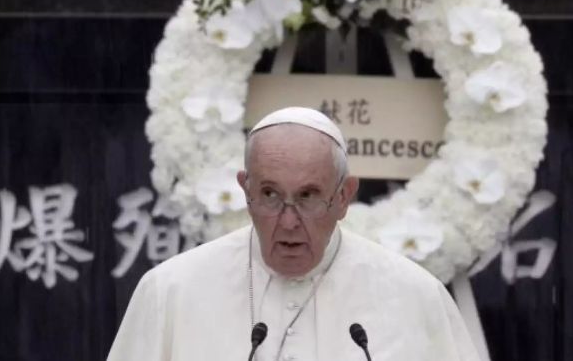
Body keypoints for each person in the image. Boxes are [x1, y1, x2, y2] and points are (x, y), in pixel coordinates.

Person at [107, 107, 480, 361]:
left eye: (308, 196)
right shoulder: (171, 291)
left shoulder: (415, 296)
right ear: (245, 189)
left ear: (344, 196)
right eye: (269, 195)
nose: (288, 222)